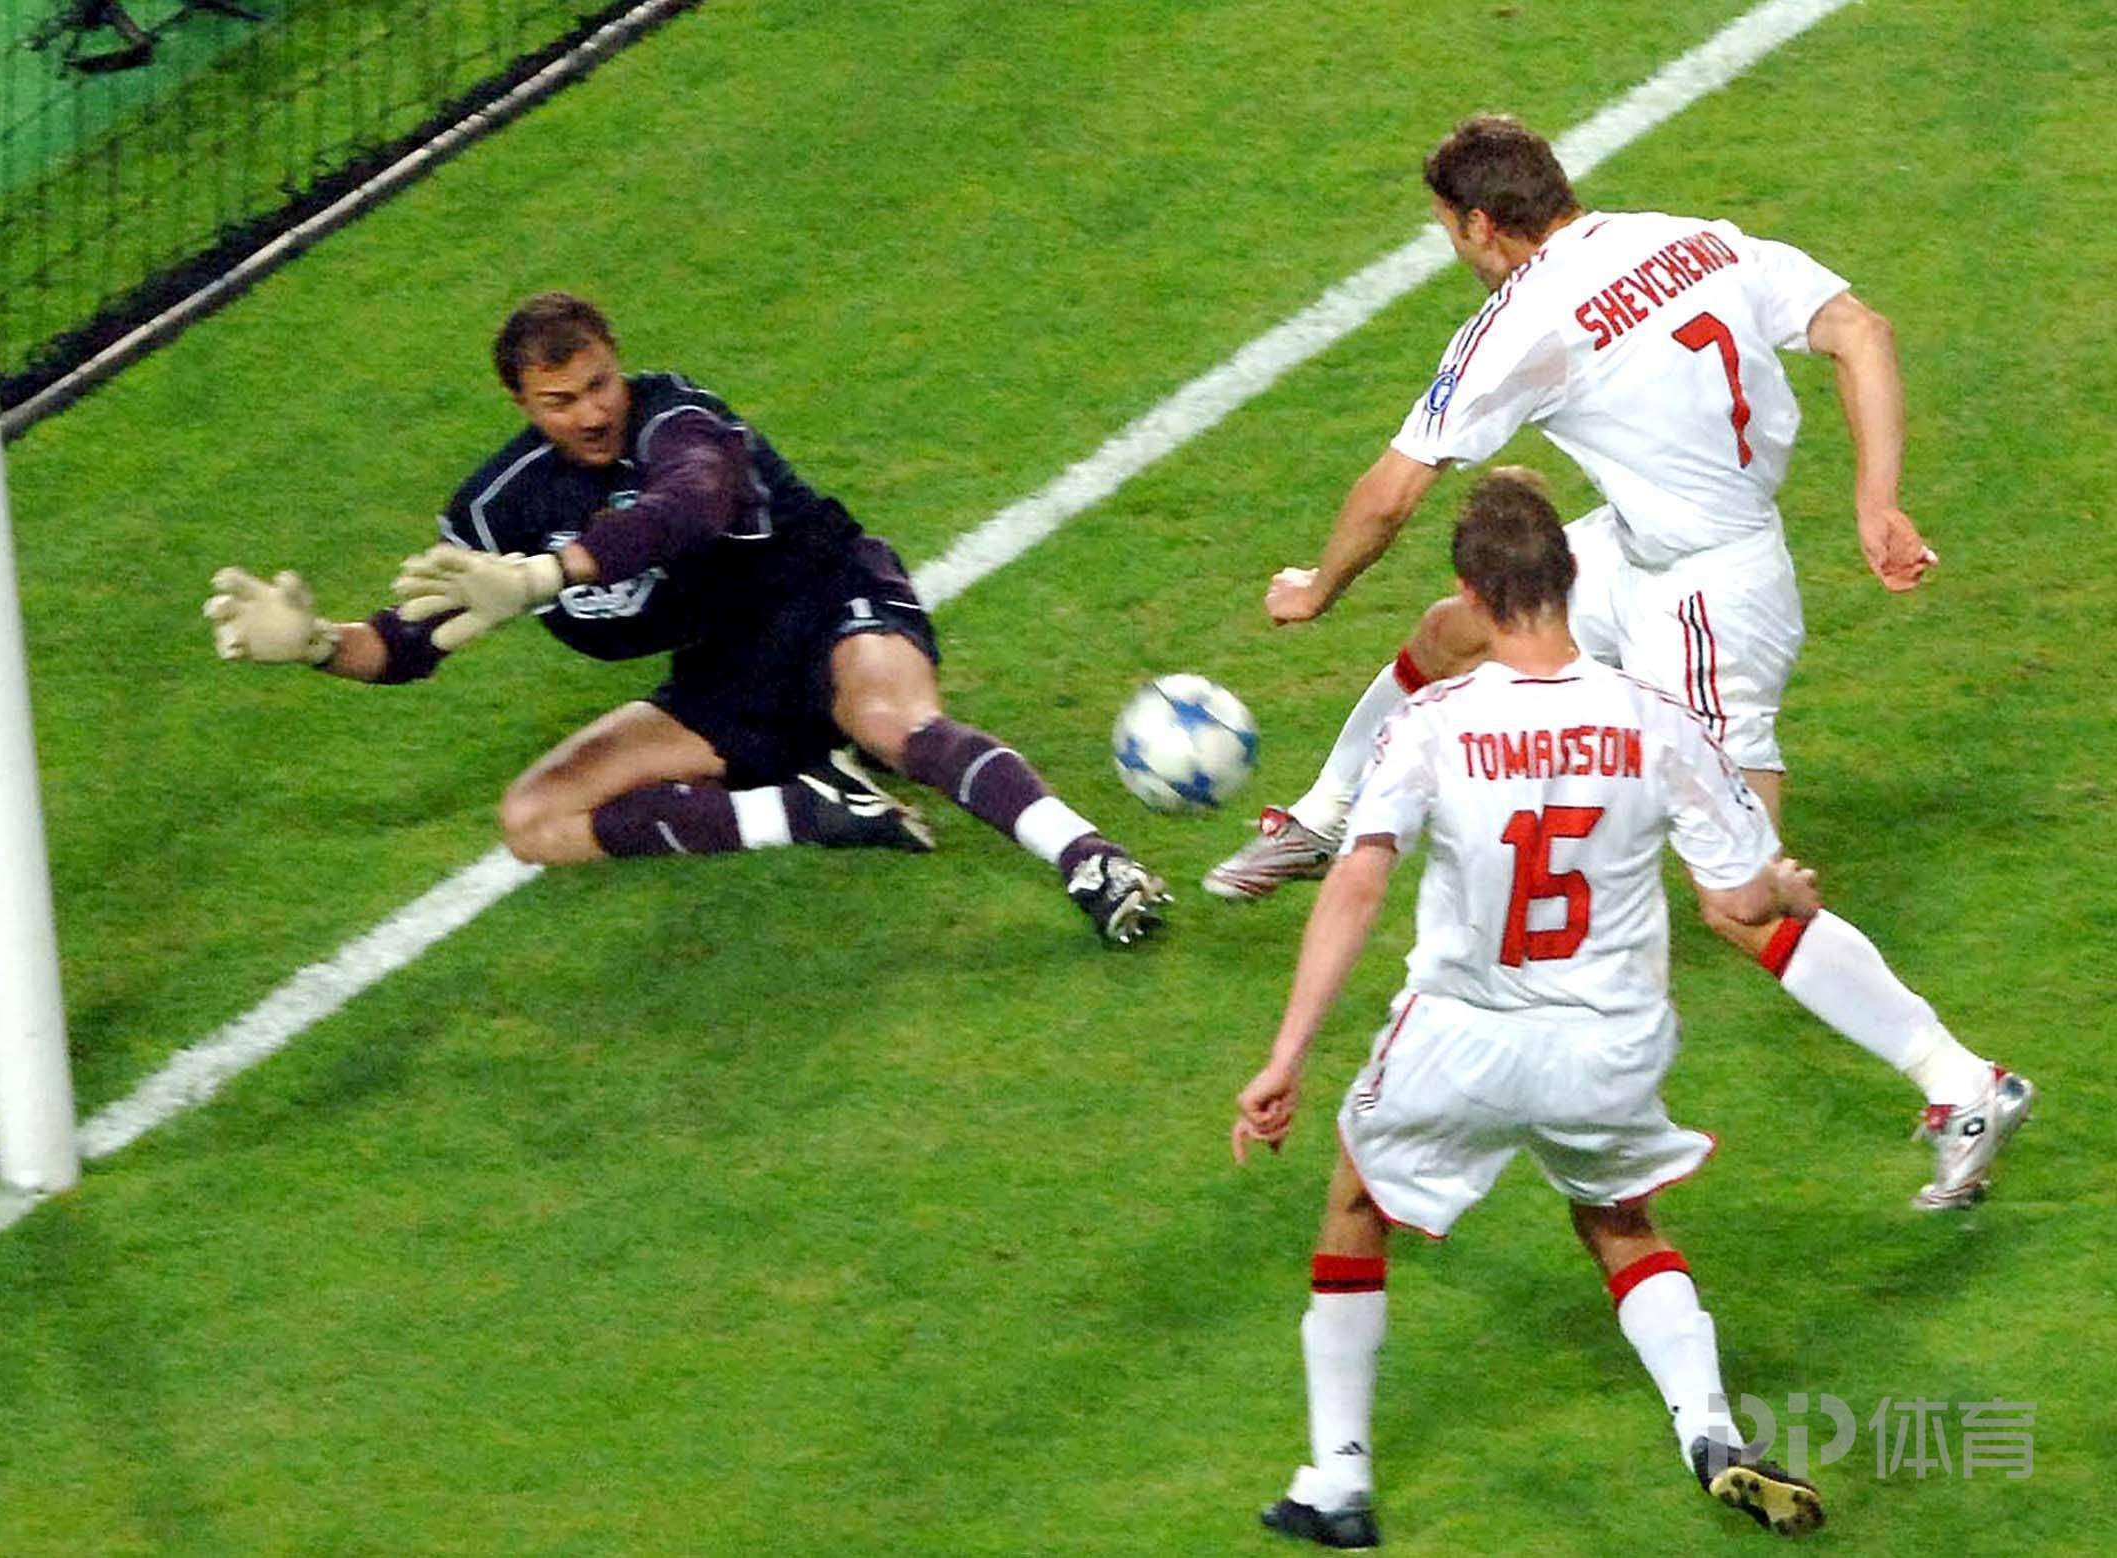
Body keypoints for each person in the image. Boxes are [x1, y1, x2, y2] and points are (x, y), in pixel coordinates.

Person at [1205, 114, 2029, 1208]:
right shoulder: (1694, 239)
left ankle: (1963, 1083)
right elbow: (1860, 330)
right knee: (1462, 628)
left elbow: (1393, 493)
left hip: (1710, 604)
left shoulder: (1521, 322)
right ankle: (1323, 814)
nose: (1455, 248)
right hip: (1647, 550)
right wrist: (1876, 500)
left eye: (1449, 229)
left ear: (1482, 225)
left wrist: (1317, 586)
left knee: (1743, 901)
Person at [1233, 473, 1827, 1548]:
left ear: (1471, 593)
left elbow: (1357, 884)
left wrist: (1286, 1055)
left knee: (1358, 1200)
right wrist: (1786, 890)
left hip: (1461, 1036)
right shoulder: (1656, 719)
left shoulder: (1434, 722)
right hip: (1608, 1045)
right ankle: (1710, 1432)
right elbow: (1741, 899)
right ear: (1571, 576)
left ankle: (1337, 1480)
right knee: (1619, 1219)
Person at [204, 292, 1169, 944]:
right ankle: (812, 810)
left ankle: (1092, 861)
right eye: (559, 402)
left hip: (826, 594)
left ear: (617, 364)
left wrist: (544, 578)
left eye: (599, 385)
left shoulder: (678, 418)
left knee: (889, 722)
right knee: (534, 819)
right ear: (521, 403)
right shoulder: (501, 506)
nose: (591, 414)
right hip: (727, 671)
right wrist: (319, 645)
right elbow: (406, 644)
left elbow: (688, 508)